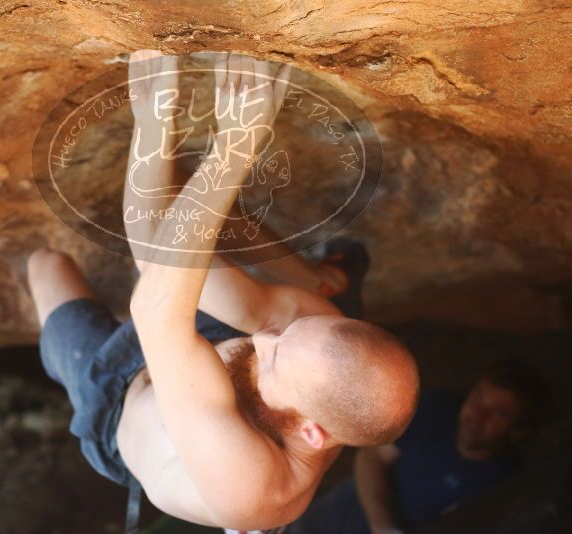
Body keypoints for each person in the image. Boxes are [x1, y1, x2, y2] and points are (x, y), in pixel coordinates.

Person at [27, 51, 419, 533]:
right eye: (293, 333)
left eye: (275, 360)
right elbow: (152, 254)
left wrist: (236, 145)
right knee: (178, 266)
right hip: (187, 339)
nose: (266, 338)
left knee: (46, 265)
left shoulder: (251, 489)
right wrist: (156, 123)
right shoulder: (302, 346)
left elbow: (154, 310)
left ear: (311, 432)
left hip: (112, 403)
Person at [287, 360, 549, 534]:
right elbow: (373, 456)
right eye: (478, 396)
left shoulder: (503, 480)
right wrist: (383, 527)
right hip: (346, 509)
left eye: (498, 413)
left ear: (519, 432)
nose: (477, 413)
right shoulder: (439, 408)